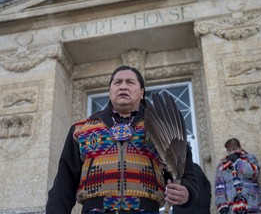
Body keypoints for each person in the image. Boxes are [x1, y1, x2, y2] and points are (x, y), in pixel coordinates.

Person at [46, 65, 198, 214]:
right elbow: (63, 185)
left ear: (142, 92)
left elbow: (186, 175)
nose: (123, 87)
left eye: (130, 82)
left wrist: (187, 193)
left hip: (146, 209)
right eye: (117, 82)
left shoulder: (162, 126)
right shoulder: (81, 129)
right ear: (110, 91)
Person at [215, 138, 261, 214]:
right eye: (229, 150)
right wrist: (221, 204)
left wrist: (237, 161)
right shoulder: (222, 165)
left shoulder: (250, 158)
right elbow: (219, 187)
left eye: (234, 149)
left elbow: (254, 174)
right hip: (233, 206)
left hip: (252, 204)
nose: (232, 152)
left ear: (240, 148)